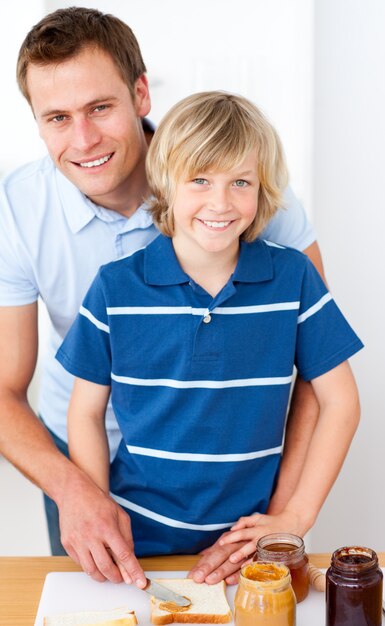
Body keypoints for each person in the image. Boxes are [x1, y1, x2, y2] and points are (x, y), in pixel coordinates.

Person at [0, 6, 321, 587]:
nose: (84, 139)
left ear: (141, 93)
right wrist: (78, 492)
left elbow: (314, 368)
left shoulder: (238, 184)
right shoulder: (16, 210)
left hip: (233, 474)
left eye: (100, 107)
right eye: (57, 118)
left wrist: (285, 514)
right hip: (82, 460)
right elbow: (2, 389)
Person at [57, 91, 362, 583]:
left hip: (249, 552)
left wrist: (295, 520)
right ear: (166, 183)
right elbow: (85, 412)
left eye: (240, 182)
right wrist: (99, 516)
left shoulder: (294, 279)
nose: (220, 203)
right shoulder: (115, 288)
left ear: (262, 189)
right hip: (137, 547)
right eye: (199, 180)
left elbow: (342, 403)